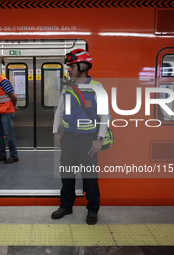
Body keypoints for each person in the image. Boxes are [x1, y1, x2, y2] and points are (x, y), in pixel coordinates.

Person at [52, 49, 110, 225]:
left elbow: (105, 115)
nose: (68, 69)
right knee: (67, 175)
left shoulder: (98, 88)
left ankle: (93, 209)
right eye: (68, 66)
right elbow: (60, 110)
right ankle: (66, 206)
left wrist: (99, 139)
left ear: (83, 66)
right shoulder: (68, 87)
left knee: (90, 178)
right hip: (69, 139)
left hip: (88, 141)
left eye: (71, 66)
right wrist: (55, 131)